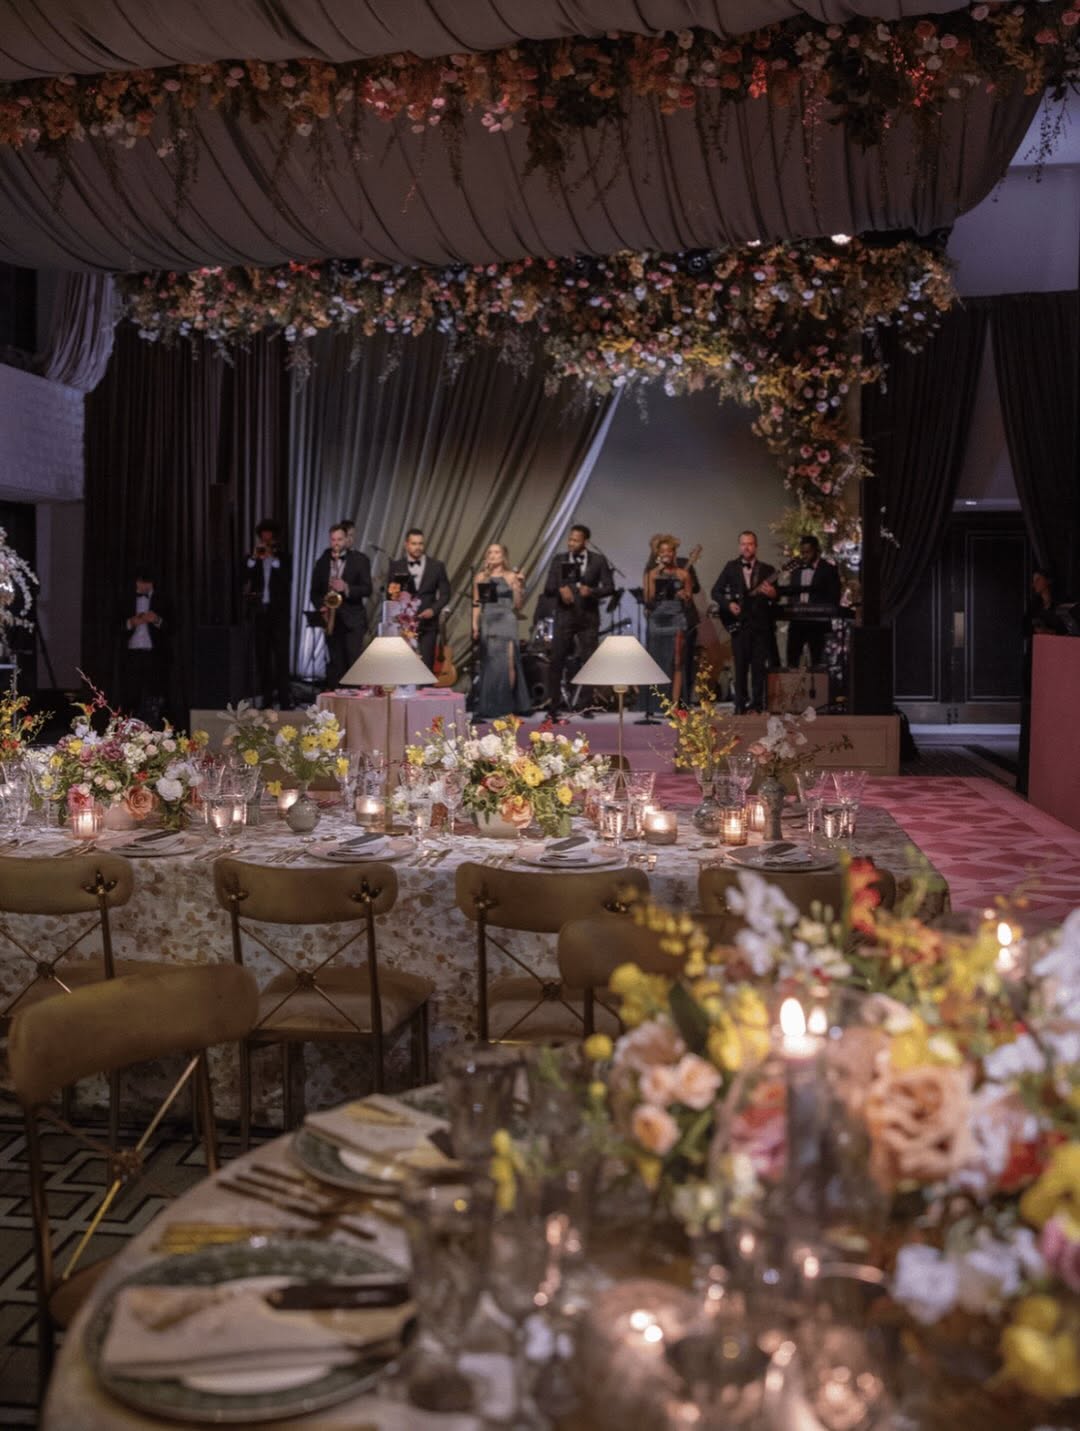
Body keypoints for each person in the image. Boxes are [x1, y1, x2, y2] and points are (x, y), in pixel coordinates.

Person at [542, 523, 614, 717]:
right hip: (565, 615)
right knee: (557, 660)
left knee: (589, 660)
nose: (571, 543)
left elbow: (609, 587)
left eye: (575, 540)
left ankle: (585, 706)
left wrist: (592, 591)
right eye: (570, 539)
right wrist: (560, 589)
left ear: (585, 542)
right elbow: (548, 588)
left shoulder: (598, 560)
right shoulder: (559, 560)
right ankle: (554, 706)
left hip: (588, 617)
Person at [711, 530, 777, 714]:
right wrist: (729, 604)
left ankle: (757, 705)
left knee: (758, 667)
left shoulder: (767, 569)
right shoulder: (730, 567)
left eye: (750, 544)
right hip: (739, 625)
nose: (746, 547)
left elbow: (776, 597)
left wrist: (773, 594)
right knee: (740, 666)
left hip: (761, 625)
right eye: (743, 544)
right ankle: (740, 704)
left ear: (756, 546)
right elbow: (715, 591)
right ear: (739, 546)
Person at [310, 522, 372, 690]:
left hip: (353, 621)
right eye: (333, 539)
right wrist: (321, 606)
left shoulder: (360, 560)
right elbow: (314, 591)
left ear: (346, 540)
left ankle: (355, 701)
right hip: (331, 620)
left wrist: (346, 587)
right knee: (336, 664)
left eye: (339, 539)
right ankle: (337, 700)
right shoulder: (322, 561)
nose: (336, 543)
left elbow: (367, 589)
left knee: (353, 664)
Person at [473, 542, 530, 719]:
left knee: (509, 662)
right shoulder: (480, 577)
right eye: (490, 552)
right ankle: (491, 705)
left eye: (497, 552)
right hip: (489, 621)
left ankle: (507, 705)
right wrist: (474, 624)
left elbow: (518, 605)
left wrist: (519, 587)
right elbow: (476, 603)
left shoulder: (511, 576)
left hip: (506, 620)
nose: (493, 555)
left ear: (503, 555)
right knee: (491, 664)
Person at [242, 518, 293, 709]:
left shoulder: (284, 558)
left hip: (279, 615)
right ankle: (267, 699)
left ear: (275, 539)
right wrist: (254, 558)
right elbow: (244, 576)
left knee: (281, 658)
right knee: (262, 658)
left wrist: (273, 559)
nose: (265, 542)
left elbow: (288, 578)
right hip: (260, 614)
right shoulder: (255, 559)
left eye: (269, 539)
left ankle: (285, 700)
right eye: (263, 539)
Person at [385, 529, 451, 672]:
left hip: (428, 624)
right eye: (414, 543)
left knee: (426, 668)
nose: (418, 547)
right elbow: (389, 595)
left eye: (420, 544)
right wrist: (397, 599)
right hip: (404, 625)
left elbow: (446, 594)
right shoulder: (396, 566)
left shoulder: (437, 566)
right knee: (403, 668)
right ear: (406, 545)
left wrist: (433, 610)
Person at [780, 533, 842, 669]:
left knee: (818, 663)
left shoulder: (828, 570)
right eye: (802, 552)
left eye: (807, 552)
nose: (804, 556)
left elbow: (834, 597)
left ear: (817, 551)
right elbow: (792, 592)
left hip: (818, 624)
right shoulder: (796, 569)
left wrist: (821, 610)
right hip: (797, 622)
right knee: (792, 660)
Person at [644, 535, 693, 706]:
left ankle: (674, 703)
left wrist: (684, 595)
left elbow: (689, 601)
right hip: (658, 620)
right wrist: (657, 573)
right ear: (658, 554)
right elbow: (648, 600)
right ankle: (656, 703)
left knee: (677, 661)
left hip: (676, 619)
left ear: (674, 553)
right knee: (658, 661)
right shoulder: (652, 574)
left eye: (669, 551)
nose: (666, 554)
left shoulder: (683, 574)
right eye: (663, 551)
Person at [119, 568, 171, 724]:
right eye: (141, 583)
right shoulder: (126, 599)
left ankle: (153, 728)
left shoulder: (162, 600)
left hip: (154, 655)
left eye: (147, 583)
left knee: (154, 696)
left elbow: (173, 628)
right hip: (131, 655)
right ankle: (128, 727)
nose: (143, 586)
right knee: (131, 695)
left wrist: (156, 620)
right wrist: (131, 623)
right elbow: (113, 627)